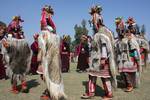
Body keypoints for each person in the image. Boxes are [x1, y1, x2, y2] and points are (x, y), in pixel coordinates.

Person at [81, 5, 117, 100]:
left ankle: (109, 94)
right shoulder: (98, 33)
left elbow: (104, 45)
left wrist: (103, 58)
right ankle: (91, 92)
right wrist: (88, 39)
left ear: (97, 21)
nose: (92, 24)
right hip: (95, 60)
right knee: (92, 75)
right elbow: (95, 45)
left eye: (93, 22)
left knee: (104, 77)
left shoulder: (102, 33)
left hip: (101, 60)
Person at [37, 5, 67, 100]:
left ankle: (52, 92)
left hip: (49, 58)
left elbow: (42, 46)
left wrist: (39, 56)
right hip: (52, 58)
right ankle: (52, 91)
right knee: (50, 75)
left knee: (46, 74)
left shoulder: (46, 33)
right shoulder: (53, 33)